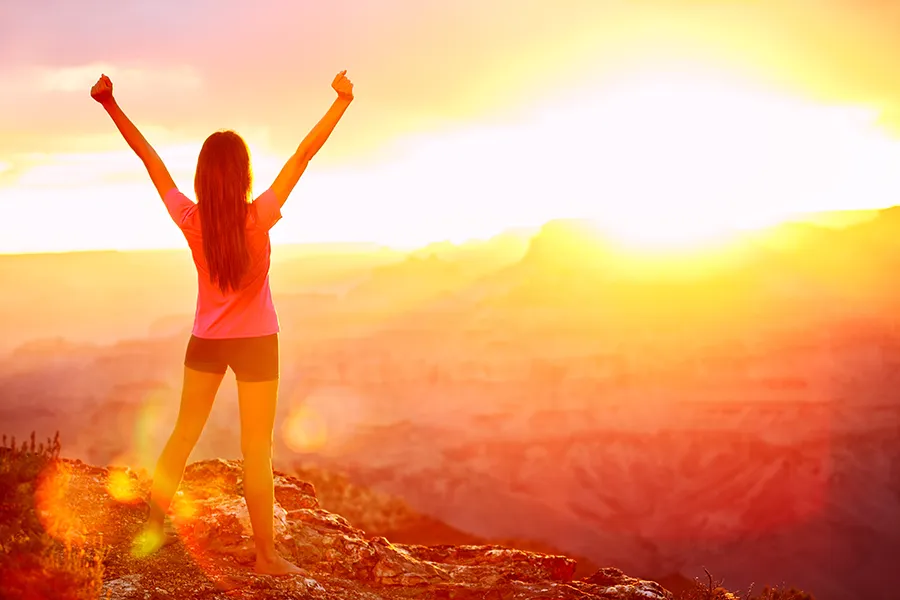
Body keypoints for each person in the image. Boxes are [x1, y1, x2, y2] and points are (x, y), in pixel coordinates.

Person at [90, 69, 354, 575]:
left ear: (203, 178)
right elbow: (303, 156)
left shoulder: (191, 221)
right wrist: (341, 102)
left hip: (207, 342)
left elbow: (150, 159)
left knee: (182, 435)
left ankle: (152, 529)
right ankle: (267, 556)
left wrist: (109, 103)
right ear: (243, 176)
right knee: (257, 450)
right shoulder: (260, 216)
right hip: (257, 343)